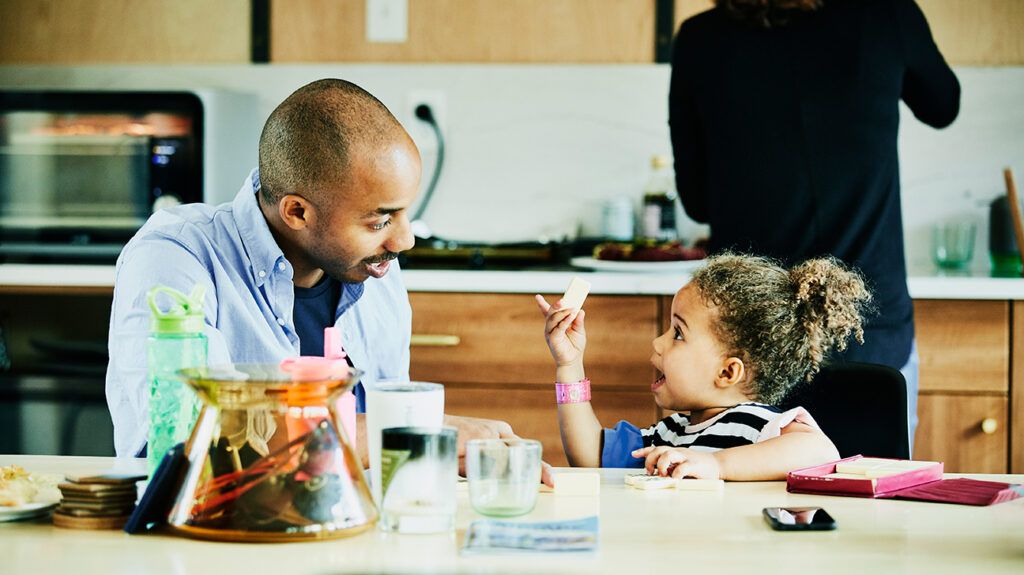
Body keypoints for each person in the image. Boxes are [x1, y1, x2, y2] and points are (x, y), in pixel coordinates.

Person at [107, 78, 514, 462]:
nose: (404, 241)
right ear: (297, 212)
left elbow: (375, 447)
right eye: (379, 221)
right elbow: (195, 436)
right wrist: (414, 433)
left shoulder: (376, 270)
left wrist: (437, 456)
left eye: (404, 213)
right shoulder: (175, 255)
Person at [669, 0, 960, 445]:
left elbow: (697, 203)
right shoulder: (885, 15)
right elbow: (943, 104)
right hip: (868, 327)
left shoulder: (701, 39)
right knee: (874, 491)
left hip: (746, 342)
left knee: (732, 495)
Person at [535, 253, 871, 479]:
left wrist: (715, 463)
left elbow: (820, 450)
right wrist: (569, 364)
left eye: (678, 334)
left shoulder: (754, 425)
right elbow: (590, 457)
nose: (657, 343)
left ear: (727, 372)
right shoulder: (671, 433)